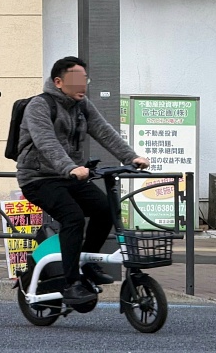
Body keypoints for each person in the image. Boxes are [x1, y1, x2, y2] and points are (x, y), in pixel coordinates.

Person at [16, 56, 149, 306]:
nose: (82, 86)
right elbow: (46, 142)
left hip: (70, 175)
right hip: (38, 178)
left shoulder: (82, 105)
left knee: (105, 211)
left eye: (85, 80)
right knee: (73, 217)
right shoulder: (39, 106)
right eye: (76, 80)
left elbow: (104, 130)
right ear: (58, 82)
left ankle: (87, 265)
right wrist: (70, 167)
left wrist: (131, 157)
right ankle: (70, 282)